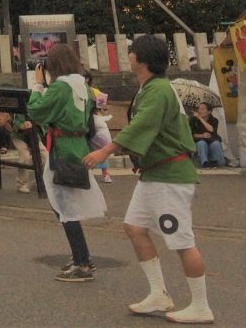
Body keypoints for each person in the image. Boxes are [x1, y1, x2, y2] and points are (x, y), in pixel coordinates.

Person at [84, 35, 212, 324]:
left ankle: (201, 305)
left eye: (131, 53)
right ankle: (158, 293)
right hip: (155, 172)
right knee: (135, 227)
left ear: (142, 60)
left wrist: (105, 149)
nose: (128, 57)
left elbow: (143, 126)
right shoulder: (151, 88)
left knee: (181, 240)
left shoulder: (157, 90)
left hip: (170, 176)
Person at [27, 45, 107, 283]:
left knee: (64, 207)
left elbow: (36, 110)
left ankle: (82, 262)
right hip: (78, 146)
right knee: (67, 206)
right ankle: (81, 257)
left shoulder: (61, 86)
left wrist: (38, 84)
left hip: (62, 149)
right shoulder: (82, 84)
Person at [189, 103, 224, 169]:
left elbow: (211, 130)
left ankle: (215, 162)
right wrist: (202, 135)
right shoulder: (193, 120)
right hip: (199, 142)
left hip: (211, 141)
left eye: (202, 109)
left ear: (209, 111)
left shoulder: (214, 120)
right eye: (199, 108)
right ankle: (204, 163)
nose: (199, 111)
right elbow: (192, 135)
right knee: (202, 143)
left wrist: (200, 118)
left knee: (216, 143)